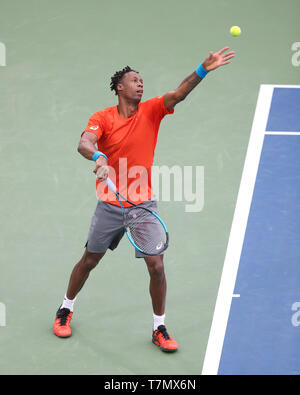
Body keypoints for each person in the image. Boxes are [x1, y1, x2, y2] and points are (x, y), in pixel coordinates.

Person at [53, 47, 235, 352]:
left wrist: (203, 69)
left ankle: (159, 327)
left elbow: (179, 93)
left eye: (142, 81)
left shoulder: (152, 109)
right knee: (89, 261)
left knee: (157, 267)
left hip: (142, 206)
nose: (140, 84)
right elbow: (84, 141)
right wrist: (98, 156)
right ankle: (65, 308)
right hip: (110, 205)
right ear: (120, 88)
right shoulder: (103, 118)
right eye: (134, 80)